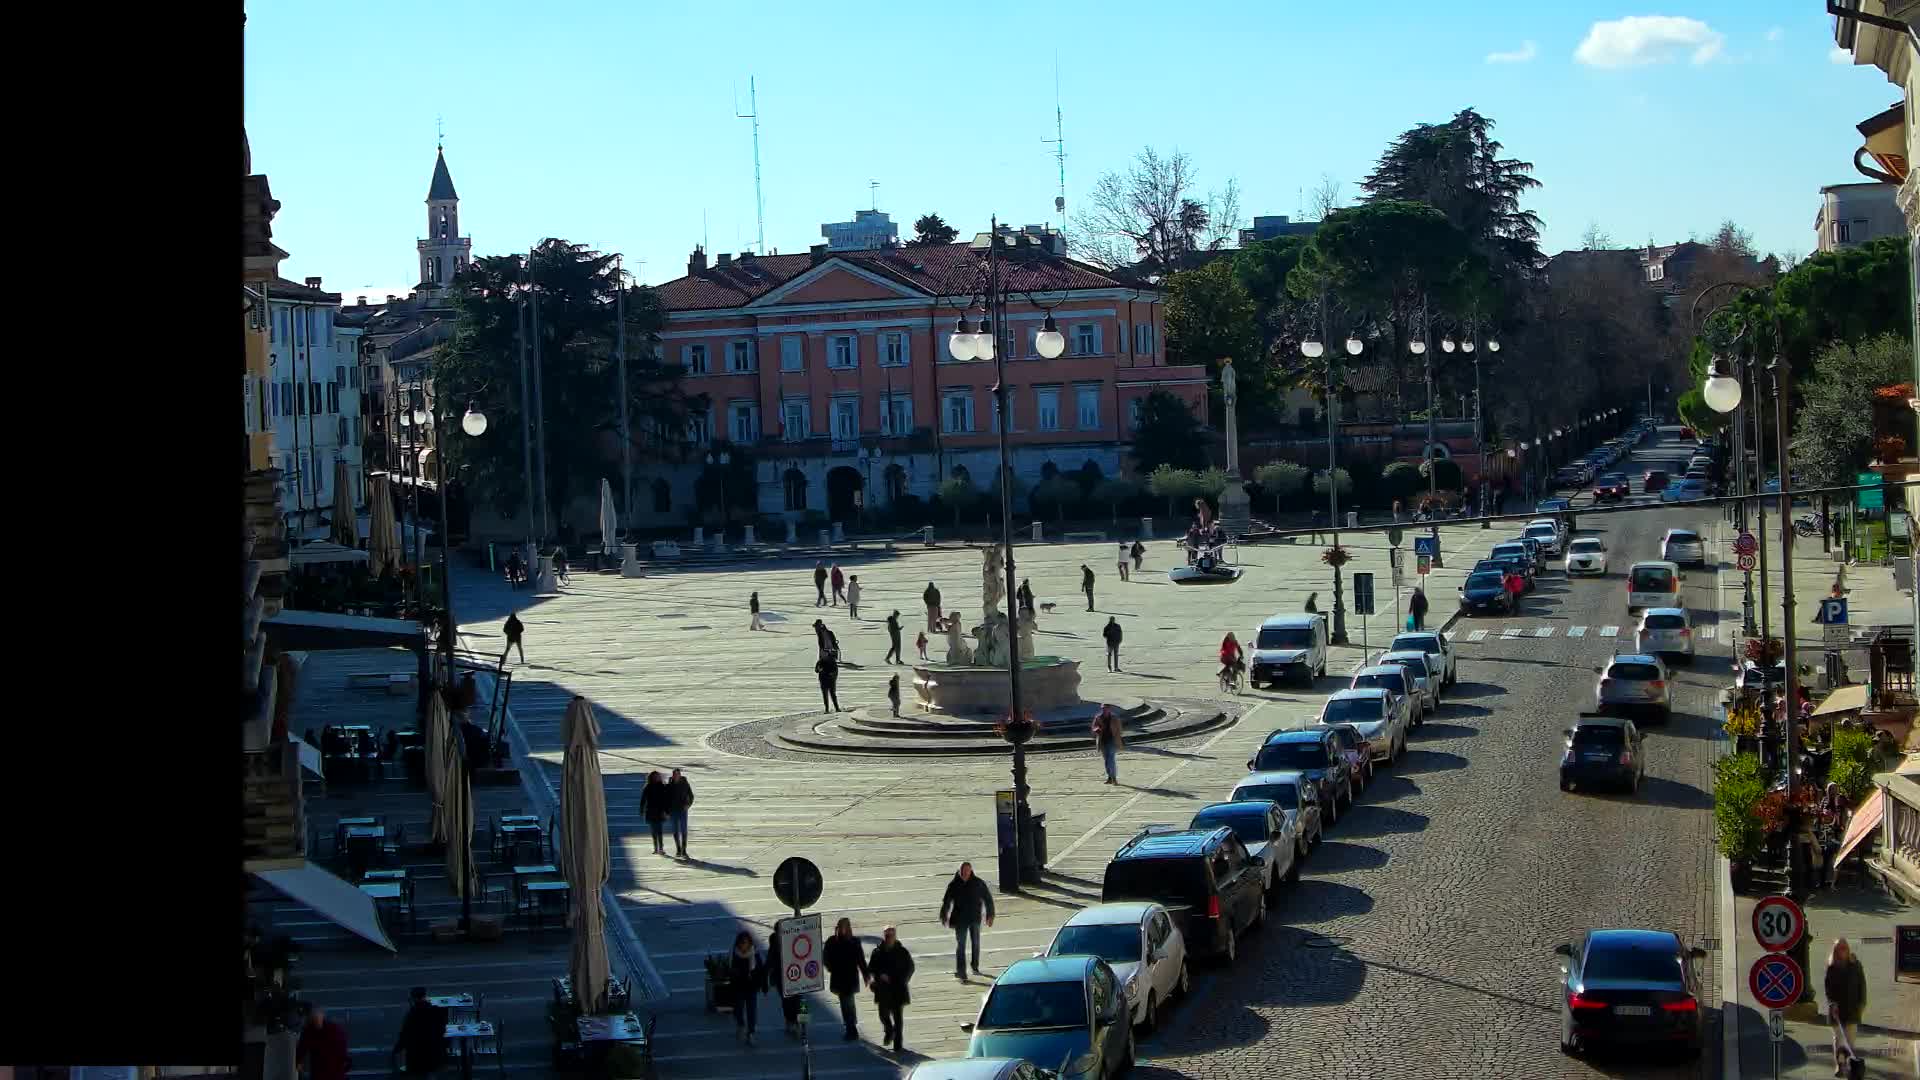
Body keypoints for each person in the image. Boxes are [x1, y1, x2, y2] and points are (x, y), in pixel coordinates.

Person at [939, 862, 995, 980]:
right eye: (963, 871)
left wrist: (990, 915)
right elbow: (947, 902)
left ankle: (975, 966)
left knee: (975, 943)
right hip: (960, 920)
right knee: (961, 945)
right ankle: (961, 971)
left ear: (971, 871)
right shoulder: (953, 885)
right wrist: (944, 915)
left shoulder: (978, 883)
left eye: (967, 871)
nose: (965, 873)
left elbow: (988, 899)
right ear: (959, 871)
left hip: (975, 918)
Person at [1825, 937, 1867, 1077]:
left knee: (1850, 1040)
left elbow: (1862, 985)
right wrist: (1832, 1003)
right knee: (1839, 1040)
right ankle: (1840, 1064)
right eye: (1840, 948)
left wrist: (1862, 1003)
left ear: (1848, 949)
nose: (1843, 950)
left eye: (1845, 947)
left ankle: (1849, 1065)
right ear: (1835, 951)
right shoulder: (1831, 967)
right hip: (1836, 1010)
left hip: (1852, 1009)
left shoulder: (1856, 965)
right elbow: (1828, 989)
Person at [869, 924, 914, 1053]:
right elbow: (871, 968)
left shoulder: (902, 951)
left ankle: (898, 1044)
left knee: (898, 1018)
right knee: (883, 1015)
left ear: (895, 936)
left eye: (891, 935)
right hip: (883, 990)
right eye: (887, 935)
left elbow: (910, 968)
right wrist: (879, 976)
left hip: (898, 989)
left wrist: (903, 979)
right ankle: (889, 1031)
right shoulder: (877, 952)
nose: (889, 938)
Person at [823, 917, 870, 1041]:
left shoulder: (854, 942)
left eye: (846, 927)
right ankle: (851, 1026)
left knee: (848, 1003)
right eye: (841, 927)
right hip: (839, 978)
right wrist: (831, 967)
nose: (843, 929)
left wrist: (866, 975)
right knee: (846, 1004)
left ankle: (851, 1028)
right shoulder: (832, 941)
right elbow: (825, 957)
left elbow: (861, 960)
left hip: (850, 978)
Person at [391, 988, 446, 1075]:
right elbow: (442, 1030)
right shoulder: (436, 1011)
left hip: (416, 1055)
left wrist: (396, 1050)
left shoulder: (412, 1015)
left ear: (414, 998)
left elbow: (405, 1035)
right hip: (434, 1053)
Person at [727, 929, 769, 1045]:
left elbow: (762, 971)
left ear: (750, 943)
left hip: (751, 988)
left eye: (745, 943)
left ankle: (751, 1032)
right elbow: (729, 971)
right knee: (738, 1010)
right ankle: (740, 1024)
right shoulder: (734, 955)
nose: (743, 946)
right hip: (738, 988)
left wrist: (764, 986)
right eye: (741, 943)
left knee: (752, 1012)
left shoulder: (754, 954)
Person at [297, 1004, 350, 1080]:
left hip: (327, 1073)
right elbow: (301, 1050)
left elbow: (301, 1051)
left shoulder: (310, 1031)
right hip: (330, 1073)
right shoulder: (335, 1030)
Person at [768, 923, 803, 1036]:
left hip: (797, 976)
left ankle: (801, 1023)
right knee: (787, 1002)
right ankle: (790, 1022)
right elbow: (770, 960)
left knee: (799, 1001)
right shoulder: (774, 942)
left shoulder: (793, 939)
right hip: (781, 977)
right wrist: (766, 976)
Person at [639, 771, 670, 855]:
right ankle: (656, 848)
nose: (657, 778)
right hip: (650, 811)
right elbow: (643, 800)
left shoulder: (662, 786)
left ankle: (661, 848)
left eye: (658, 776)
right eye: (655, 776)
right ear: (651, 777)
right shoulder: (648, 787)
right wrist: (641, 810)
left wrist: (667, 811)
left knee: (659, 831)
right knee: (653, 831)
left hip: (660, 811)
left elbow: (666, 800)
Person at [666, 768, 695, 858]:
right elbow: (665, 800)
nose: (677, 776)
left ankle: (684, 850)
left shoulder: (685, 784)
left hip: (683, 810)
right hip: (673, 810)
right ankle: (678, 849)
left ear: (680, 775)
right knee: (675, 830)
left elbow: (691, 795)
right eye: (675, 774)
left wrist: (688, 805)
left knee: (683, 830)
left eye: (678, 774)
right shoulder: (669, 785)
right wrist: (667, 811)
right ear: (673, 775)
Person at [1092, 704, 1124, 784]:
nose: (1104, 710)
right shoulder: (1098, 717)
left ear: (1110, 709)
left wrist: (1118, 738)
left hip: (1112, 740)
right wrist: (1097, 729)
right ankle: (1110, 777)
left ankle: (1114, 777)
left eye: (1106, 708)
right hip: (1102, 741)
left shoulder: (1114, 718)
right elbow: (1093, 727)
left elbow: (1119, 729)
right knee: (1106, 760)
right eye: (1103, 708)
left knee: (1111, 759)